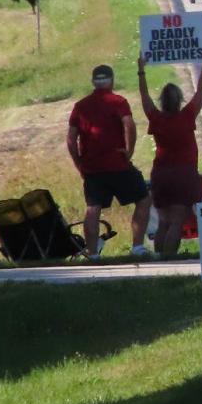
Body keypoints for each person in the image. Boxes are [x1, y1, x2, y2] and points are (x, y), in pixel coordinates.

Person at [67, 63, 153, 259]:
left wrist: (78, 163)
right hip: (118, 163)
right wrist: (129, 151)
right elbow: (129, 124)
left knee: (93, 208)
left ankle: (92, 253)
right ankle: (137, 247)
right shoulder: (118, 102)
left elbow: (71, 139)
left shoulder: (80, 106)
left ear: (93, 82)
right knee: (143, 199)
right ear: (111, 81)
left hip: (92, 167)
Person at [138, 52, 202, 257]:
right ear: (179, 100)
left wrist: (141, 70)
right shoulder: (187, 116)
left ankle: (159, 261)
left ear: (162, 101)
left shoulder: (156, 118)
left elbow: (144, 98)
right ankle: (169, 261)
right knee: (178, 221)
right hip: (183, 174)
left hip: (161, 174)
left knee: (163, 221)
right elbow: (200, 92)